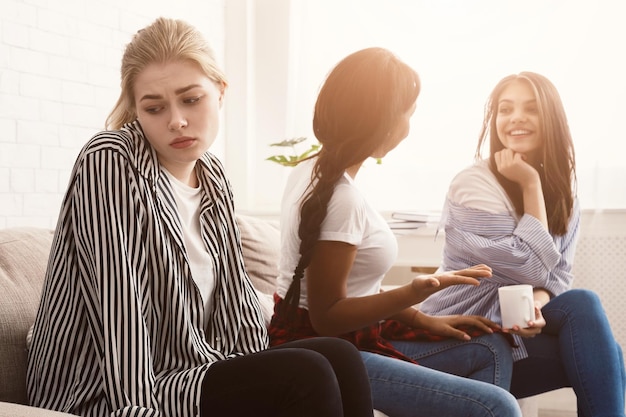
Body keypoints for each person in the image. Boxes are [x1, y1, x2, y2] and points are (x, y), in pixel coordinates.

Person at [26, 17, 375, 417]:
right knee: (307, 372)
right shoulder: (110, 160)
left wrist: (257, 371)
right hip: (109, 388)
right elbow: (118, 306)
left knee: (339, 356)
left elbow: (234, 302)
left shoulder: (213, 176)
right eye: (154, 108)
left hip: (188, 372)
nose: (176, 120)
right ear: (136, 110)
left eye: (190, 100)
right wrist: (135, 409)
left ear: (220, 91)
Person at [268, 47, 522, 417]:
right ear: (382, 120)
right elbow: (327, 316)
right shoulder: (341, 199)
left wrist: (424, 319)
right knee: (497, 406)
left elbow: (352, 290)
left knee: (490, 347)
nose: (407, 127)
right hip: (328, 351)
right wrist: (414, 291)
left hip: (334, 338)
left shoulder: (310, 171)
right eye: (408, 114)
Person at [419, 71, 626, 416]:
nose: (516, 118)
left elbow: (556, 277)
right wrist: (530, 184)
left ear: (551, 120)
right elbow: (530, 266)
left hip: (505, 331)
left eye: (531, 109)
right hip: (460, 337)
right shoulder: (472, 184)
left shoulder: (564, 194)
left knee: (589, 318)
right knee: (606, 349)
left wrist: (535, 307)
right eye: (505, 109)